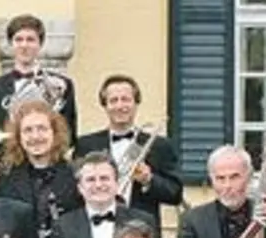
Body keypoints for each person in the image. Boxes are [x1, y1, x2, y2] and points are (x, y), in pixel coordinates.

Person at [72, 74, 183, 228]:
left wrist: (149, 180)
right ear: (105, 105)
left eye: (126, 99)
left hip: (142, 229)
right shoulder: (86, 145)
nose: (120, 106)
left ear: (136, 103)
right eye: (113, 100)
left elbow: (175, 194)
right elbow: (75, 189)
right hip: (97, 226)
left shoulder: (159, 145)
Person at [0, 99, 81, 238]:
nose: (35, 137)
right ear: (18, 137)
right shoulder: (4, 180)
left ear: (55, 133)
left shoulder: (75, 175)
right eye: (28, 130)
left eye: (42, 129)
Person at [0, 13, 78, 141]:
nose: (24, 45)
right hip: (7, 158)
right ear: (10, 44)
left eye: (30, 40)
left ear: (40, 44)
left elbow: (69, 132)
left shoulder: (61, 85)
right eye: (18, 39)